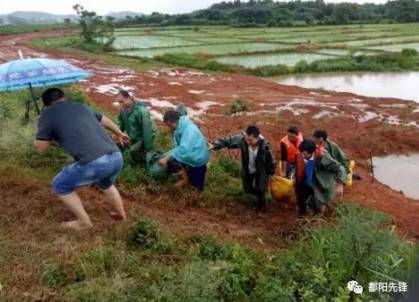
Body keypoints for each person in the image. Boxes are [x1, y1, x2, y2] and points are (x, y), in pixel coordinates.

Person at [34, 88, 128, 229]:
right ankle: (122, 217)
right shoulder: (80, 106)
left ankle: (84, 223)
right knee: (106, 183)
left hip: (96, 163)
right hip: (116, 157)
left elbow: (40, 149)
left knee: (59, 185)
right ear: (64, 97)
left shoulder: (46, 115)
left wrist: (40, 126)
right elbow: (103, 119)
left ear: (46, 104)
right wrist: (120, 133)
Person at [212, 126, 276, 210]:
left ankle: (261, 206)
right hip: (248, 169)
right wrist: (214, 145)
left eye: (250, 140)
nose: (248, 142)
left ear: (257, 138)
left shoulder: (265, 146)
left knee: (261, 189)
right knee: (247, 189)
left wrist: (271, 173)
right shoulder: (242, 139)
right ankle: (255, 197)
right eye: (247, 139)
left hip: (261, 170)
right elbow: (228, 141)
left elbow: (271, 161)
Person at [158, 110, 210, 191]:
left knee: (196, 189)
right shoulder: (178, 128)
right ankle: (185, 178)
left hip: (198, 159)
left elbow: (184, 149)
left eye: (169, 125)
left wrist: (166, 158)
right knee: (171, 161)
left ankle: (189, 180)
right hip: (189, 156)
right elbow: (179, 147)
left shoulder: (189, 130)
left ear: (175, 121)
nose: (169, 127)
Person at [295, 139, 347, 217]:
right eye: (301, 153)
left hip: (319, 180)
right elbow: (298, 167)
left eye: (305, 154)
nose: (303, 156)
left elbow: (340, 168)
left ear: (312, 152)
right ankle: (302, 214)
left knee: (318, 200)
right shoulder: (301, 153)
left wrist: (340, 183)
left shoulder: (323, 157)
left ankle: (317, 216)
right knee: (300, 195)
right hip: (306, 179)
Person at [116, 90, 156, 164]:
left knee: (133, 150)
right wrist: (118, 134)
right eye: (119, 102)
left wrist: (148, 149)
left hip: (142, 137)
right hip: (132, 136)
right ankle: (120, 161)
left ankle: (140, 164)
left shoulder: (142, 111)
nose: (121, 105)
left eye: (122, 101)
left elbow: (147, 132)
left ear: (129, 98)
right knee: (118, 143)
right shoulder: (123, 110)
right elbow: (120, 123)